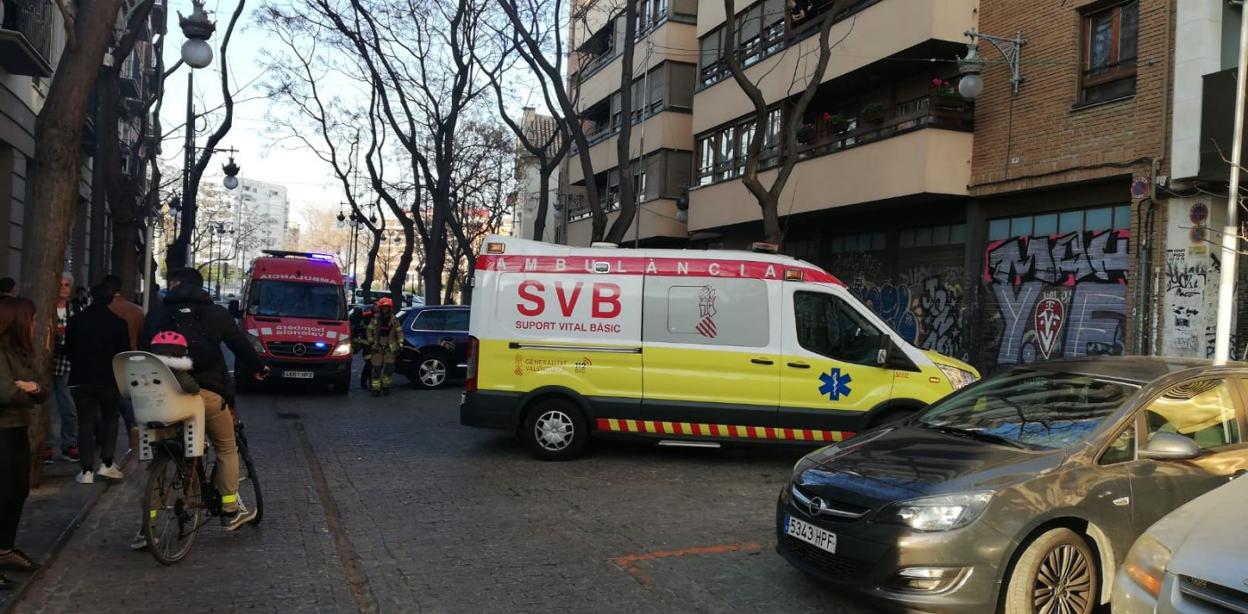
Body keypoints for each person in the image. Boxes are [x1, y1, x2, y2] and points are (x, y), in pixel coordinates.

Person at [142, 268, 268, 531]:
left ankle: (147, 525)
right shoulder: (216, 314)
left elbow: (142, 349)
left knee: (162, 456)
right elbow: (240, 345)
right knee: (226, 447)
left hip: (162, 395)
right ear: (201, 287)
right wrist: (258, 367)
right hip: (205, 392)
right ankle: (230, 510)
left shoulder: (157, 313)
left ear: (175, 284)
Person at [0, 297, 49, 588]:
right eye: (30, 320)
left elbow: (42, 387)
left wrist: (31, 389)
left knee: (17, 490)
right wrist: (28, 390)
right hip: (2, 429)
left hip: (17, 426)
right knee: (4, 492)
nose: (34, 325)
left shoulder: (21, 352)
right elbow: (6, 392)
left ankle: (5, 549)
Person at [65, 284, 132, 484]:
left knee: (84, 422)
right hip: (108, 379)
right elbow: (123, 354)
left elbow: (68, 350)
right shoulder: (118, 323)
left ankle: (86, 470)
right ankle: (107, 463)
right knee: (110, 419)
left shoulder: (76, 320)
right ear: (112, 298)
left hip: (81, 378)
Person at [101, 275, 143, 452]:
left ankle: (105, 438)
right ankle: (133, 426)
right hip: (129, 358)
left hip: (105, 359)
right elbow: (141, 337)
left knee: (106, 401)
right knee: (126, 396)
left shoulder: (103, 309)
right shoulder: (136, 310)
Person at [44, 272, 78, 464]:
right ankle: (45, 446)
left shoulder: (75, 309)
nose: (64, 288)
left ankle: (69, 444)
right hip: (47, 362)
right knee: (44, 406)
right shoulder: (46, 308)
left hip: (66, 363)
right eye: (61, 285)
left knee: (68, 407)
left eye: (67, 285)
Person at [365, 297, 402, 397]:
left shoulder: (394, 320)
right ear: (380, 308)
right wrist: (371, 341)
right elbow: (369, 330)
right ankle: (375, 389)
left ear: (390, 308)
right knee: (376, 369)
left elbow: (399, 332)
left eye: (387, 307)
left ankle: (386, 387)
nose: (385, 309)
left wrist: (401, 343)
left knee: (389, 369)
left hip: (390, 348)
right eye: (383, 307)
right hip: (377, 347)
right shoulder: (375, 319)